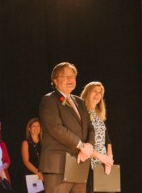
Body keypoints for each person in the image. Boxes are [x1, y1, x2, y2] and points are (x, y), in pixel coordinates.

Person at [39, 62, 95, 193]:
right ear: (55, 80)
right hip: (58, 165)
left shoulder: (80, 102)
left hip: (79, 163)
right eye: (65, 77)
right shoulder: (49, 100)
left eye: (73, 76)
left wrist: (89, 147)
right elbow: (56, 128)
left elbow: (90, 128)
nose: (70, 80)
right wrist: (81, 145)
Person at [80, 82, 114, 193]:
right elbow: (83, 140)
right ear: (87, 93)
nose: (97, 95)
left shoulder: (99, 114)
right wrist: (99, 156)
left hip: (103, 162)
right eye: (95, 91)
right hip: (88, 161)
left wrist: (109, 158)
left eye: (100, 93)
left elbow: (107, 139)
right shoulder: (82, 112)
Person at [21, 117, 44, 192]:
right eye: (34, 126)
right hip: (32, 175)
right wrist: (38, 172)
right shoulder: (26, 143)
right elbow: (26, 162)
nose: (36, 128)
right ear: (29, 129)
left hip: (44, 175)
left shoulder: (44, 142)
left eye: (38, 126)